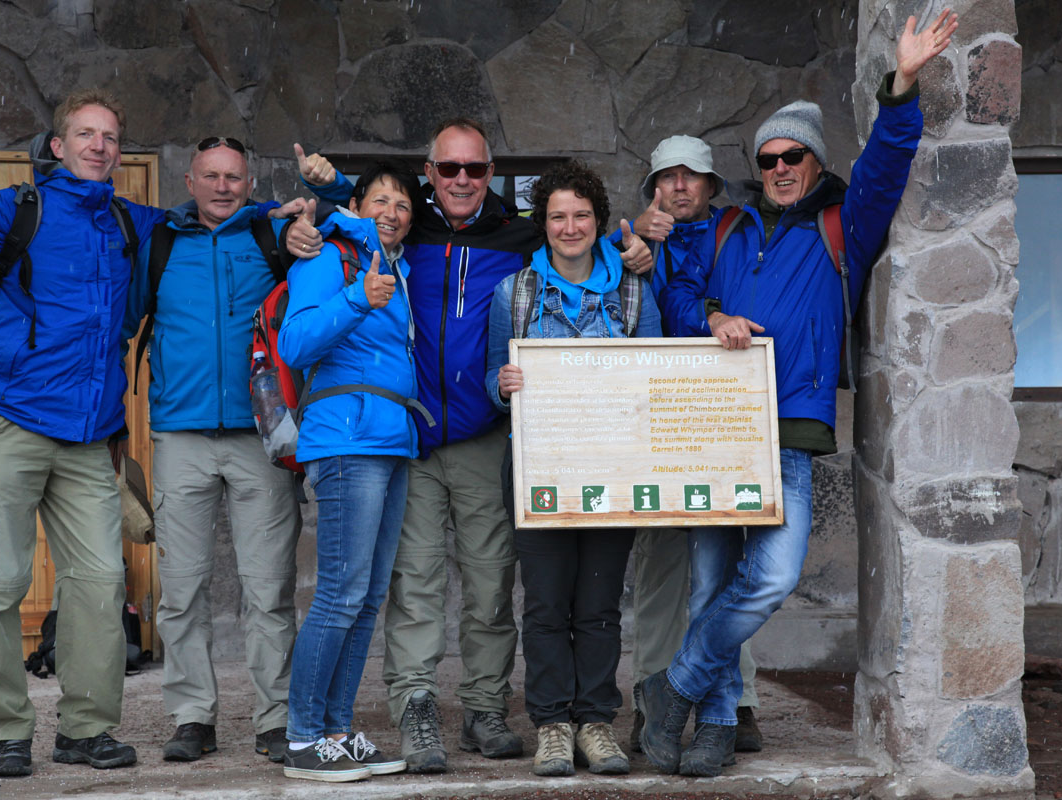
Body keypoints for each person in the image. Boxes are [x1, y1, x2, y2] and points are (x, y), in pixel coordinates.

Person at [639, 7, 959, 778]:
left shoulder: (843, 224)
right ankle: (713, 723)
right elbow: (677, 296)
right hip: (716, 428)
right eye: (770, 158)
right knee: (714, 580)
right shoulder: (725, 230)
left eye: (794, 157)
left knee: (773, 576)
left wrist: (903, 85)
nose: (780, 166)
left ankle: (672, 686)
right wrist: (709, 314)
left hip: (787, 429)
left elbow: (887, 161)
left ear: (815, 164)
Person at [292, 123, 653, 773]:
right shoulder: (403, 233)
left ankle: (485, 707)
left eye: (475, 168)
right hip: (411, 443)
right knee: (414, 587)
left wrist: (640, 251)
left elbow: (586, 253)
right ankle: (417, 706)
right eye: (448, 168)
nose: (462, 179)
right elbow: (355, 214)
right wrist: (303, 207)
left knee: (492, 585)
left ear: (490, 173)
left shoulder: (520, 236)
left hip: (488, 436)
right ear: (429, 172)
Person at [0, 88, 164, 777]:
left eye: (110, 135)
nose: (99, 145)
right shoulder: (15, 211)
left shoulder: (131, 222)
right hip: (8, 423)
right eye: (85, 134)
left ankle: (84, 730)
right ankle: (10, 732)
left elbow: (206, 228)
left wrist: (276, 219)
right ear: (58, 145)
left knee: (101, 581)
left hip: (89, 437)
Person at [121, 136, 305, 764]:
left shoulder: (270, 239)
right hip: (181, 436)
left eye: (234, 177)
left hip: (262, 437)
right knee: (182, 589)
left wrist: (297, 211)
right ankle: (191, 717)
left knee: (269, 589)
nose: (223, 187)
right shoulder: (163, 243)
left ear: (249, 184)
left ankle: (274, 719)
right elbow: (124, 325)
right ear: (191, 181)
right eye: (211, 176)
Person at [485, 159, 663, 777]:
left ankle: (595, 722)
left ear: (599, 220)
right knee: (544, 603)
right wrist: (501, 383)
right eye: (557, 215)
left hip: (613, 465)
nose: (569, 226)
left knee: (599, 604)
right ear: (543, 224)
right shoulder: (516, 292)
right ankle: (553, 725)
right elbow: (490, 375)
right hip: (539, 466)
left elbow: (654, 378)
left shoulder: (635, 290)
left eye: (580, 215)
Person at [278, 161, 425, 782]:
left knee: (365, 599)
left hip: (390, 440)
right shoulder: (326, 259)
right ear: (358, 205)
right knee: (340, 594)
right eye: (380, 201)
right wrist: (356, 298)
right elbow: (296, 343)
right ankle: (304, 737)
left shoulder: (397, 271)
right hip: (347, 440)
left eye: (402, 205)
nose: (392, 212)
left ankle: (336, 732)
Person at [623, 135, 763, 754]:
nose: (680, 187)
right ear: (653, 184)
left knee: (729, 562)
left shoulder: (739, 234)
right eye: (668, 176)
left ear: (710, 185)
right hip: (652, 422)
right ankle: (651, 694)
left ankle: (737, 699)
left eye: (692, 177)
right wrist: (641, 249)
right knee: (659, 564)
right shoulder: (622, 241)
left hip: (721, 416)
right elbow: (623, 320)